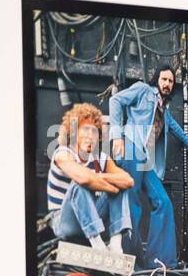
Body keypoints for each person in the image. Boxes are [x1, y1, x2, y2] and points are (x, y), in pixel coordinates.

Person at [109, 64, 188, 269]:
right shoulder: (143, 90)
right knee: (132, 206)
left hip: (145, 162)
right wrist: (116, 137)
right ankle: (130, 262)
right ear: (156, 80)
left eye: (170, 81)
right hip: (132, 150)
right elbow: (115, 100)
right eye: (164, 79)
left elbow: (175, 128)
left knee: (163, 202)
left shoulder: (163, 109)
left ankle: (161, 261)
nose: (167, 84)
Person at [47, 102, 134, 250]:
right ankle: (98, 246)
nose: (91, 136)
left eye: (95, 131)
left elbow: (128, 181)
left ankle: (115, 243)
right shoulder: (62, 153)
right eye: (85, 129)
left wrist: (103, 180)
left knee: (121, 185)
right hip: (64, 222)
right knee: (80, 183)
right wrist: (107, 185)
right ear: (73, 132)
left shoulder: (101, 159)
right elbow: (84, 179)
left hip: (91, 217)